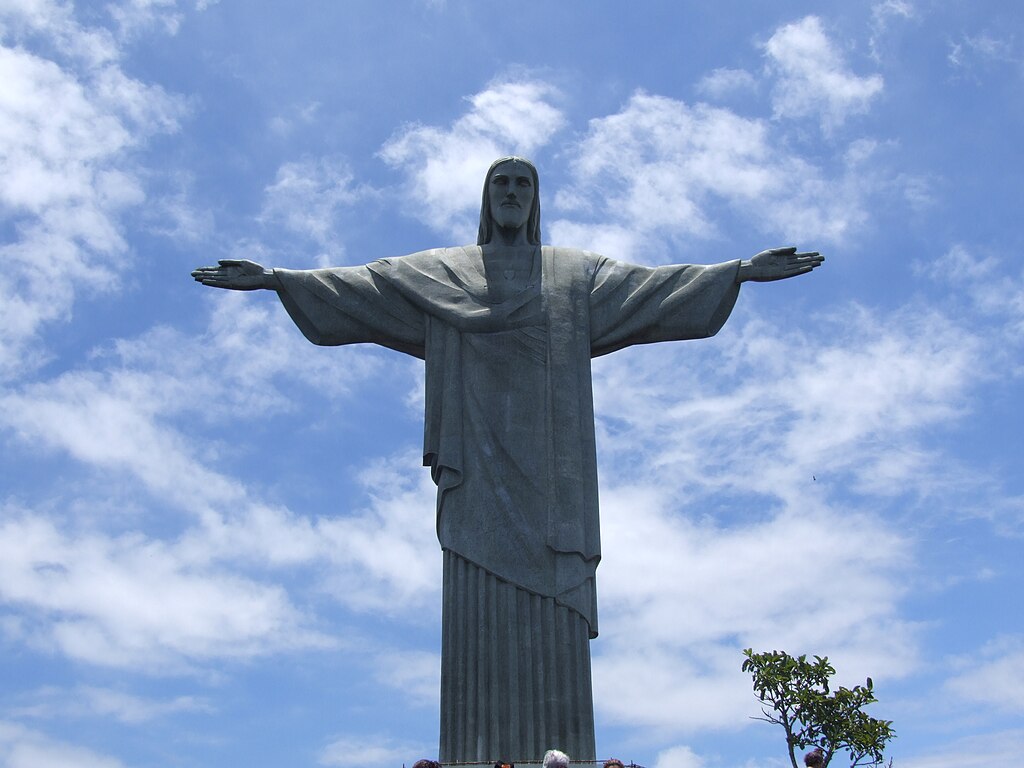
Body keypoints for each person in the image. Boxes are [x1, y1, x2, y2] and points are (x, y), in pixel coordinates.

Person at [193, 157, 822, 764]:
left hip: (553, 476)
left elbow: (653, 289)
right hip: (476, 472)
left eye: (524, 183)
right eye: (502, 183)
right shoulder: (442, 273)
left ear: (537, 198)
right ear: (486, 198)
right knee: (475, 593)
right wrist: (278, 278)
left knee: (553, 598)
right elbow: (365, 287)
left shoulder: (574, 276)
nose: (513, 192)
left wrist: (736, 271)